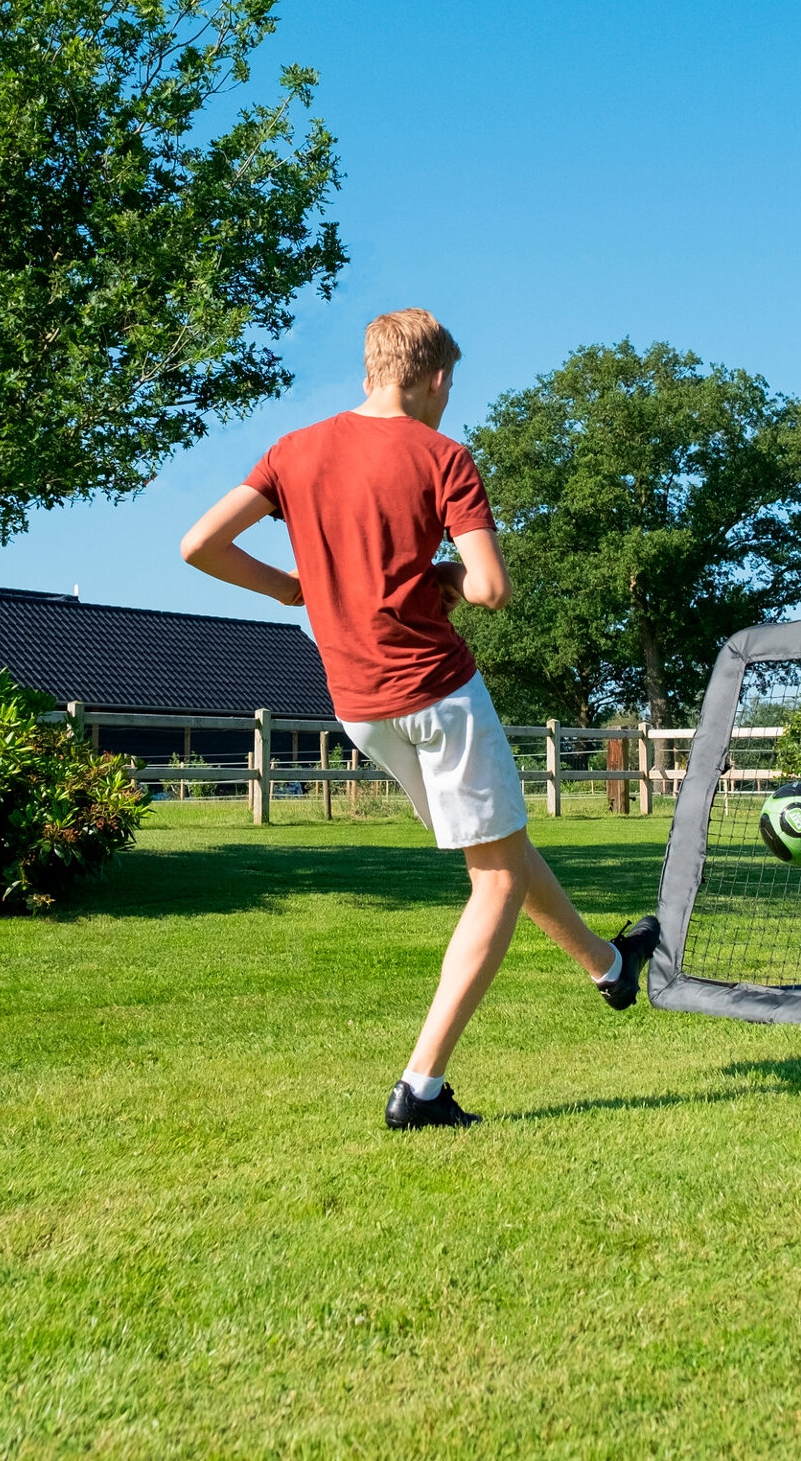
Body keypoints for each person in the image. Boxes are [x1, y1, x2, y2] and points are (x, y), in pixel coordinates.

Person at [180, 308, 658, 1129]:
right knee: (497, 873)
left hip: (360, 706)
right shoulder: (443, 456)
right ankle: (422, 1088)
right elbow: (491, 589)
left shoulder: (292, 451)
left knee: (498, 845)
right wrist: (445, 576)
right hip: (438, 690)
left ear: (371, 369)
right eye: (451, 386)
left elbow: (199, 544)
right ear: (435, 377)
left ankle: (610, 966)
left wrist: (291, 588)